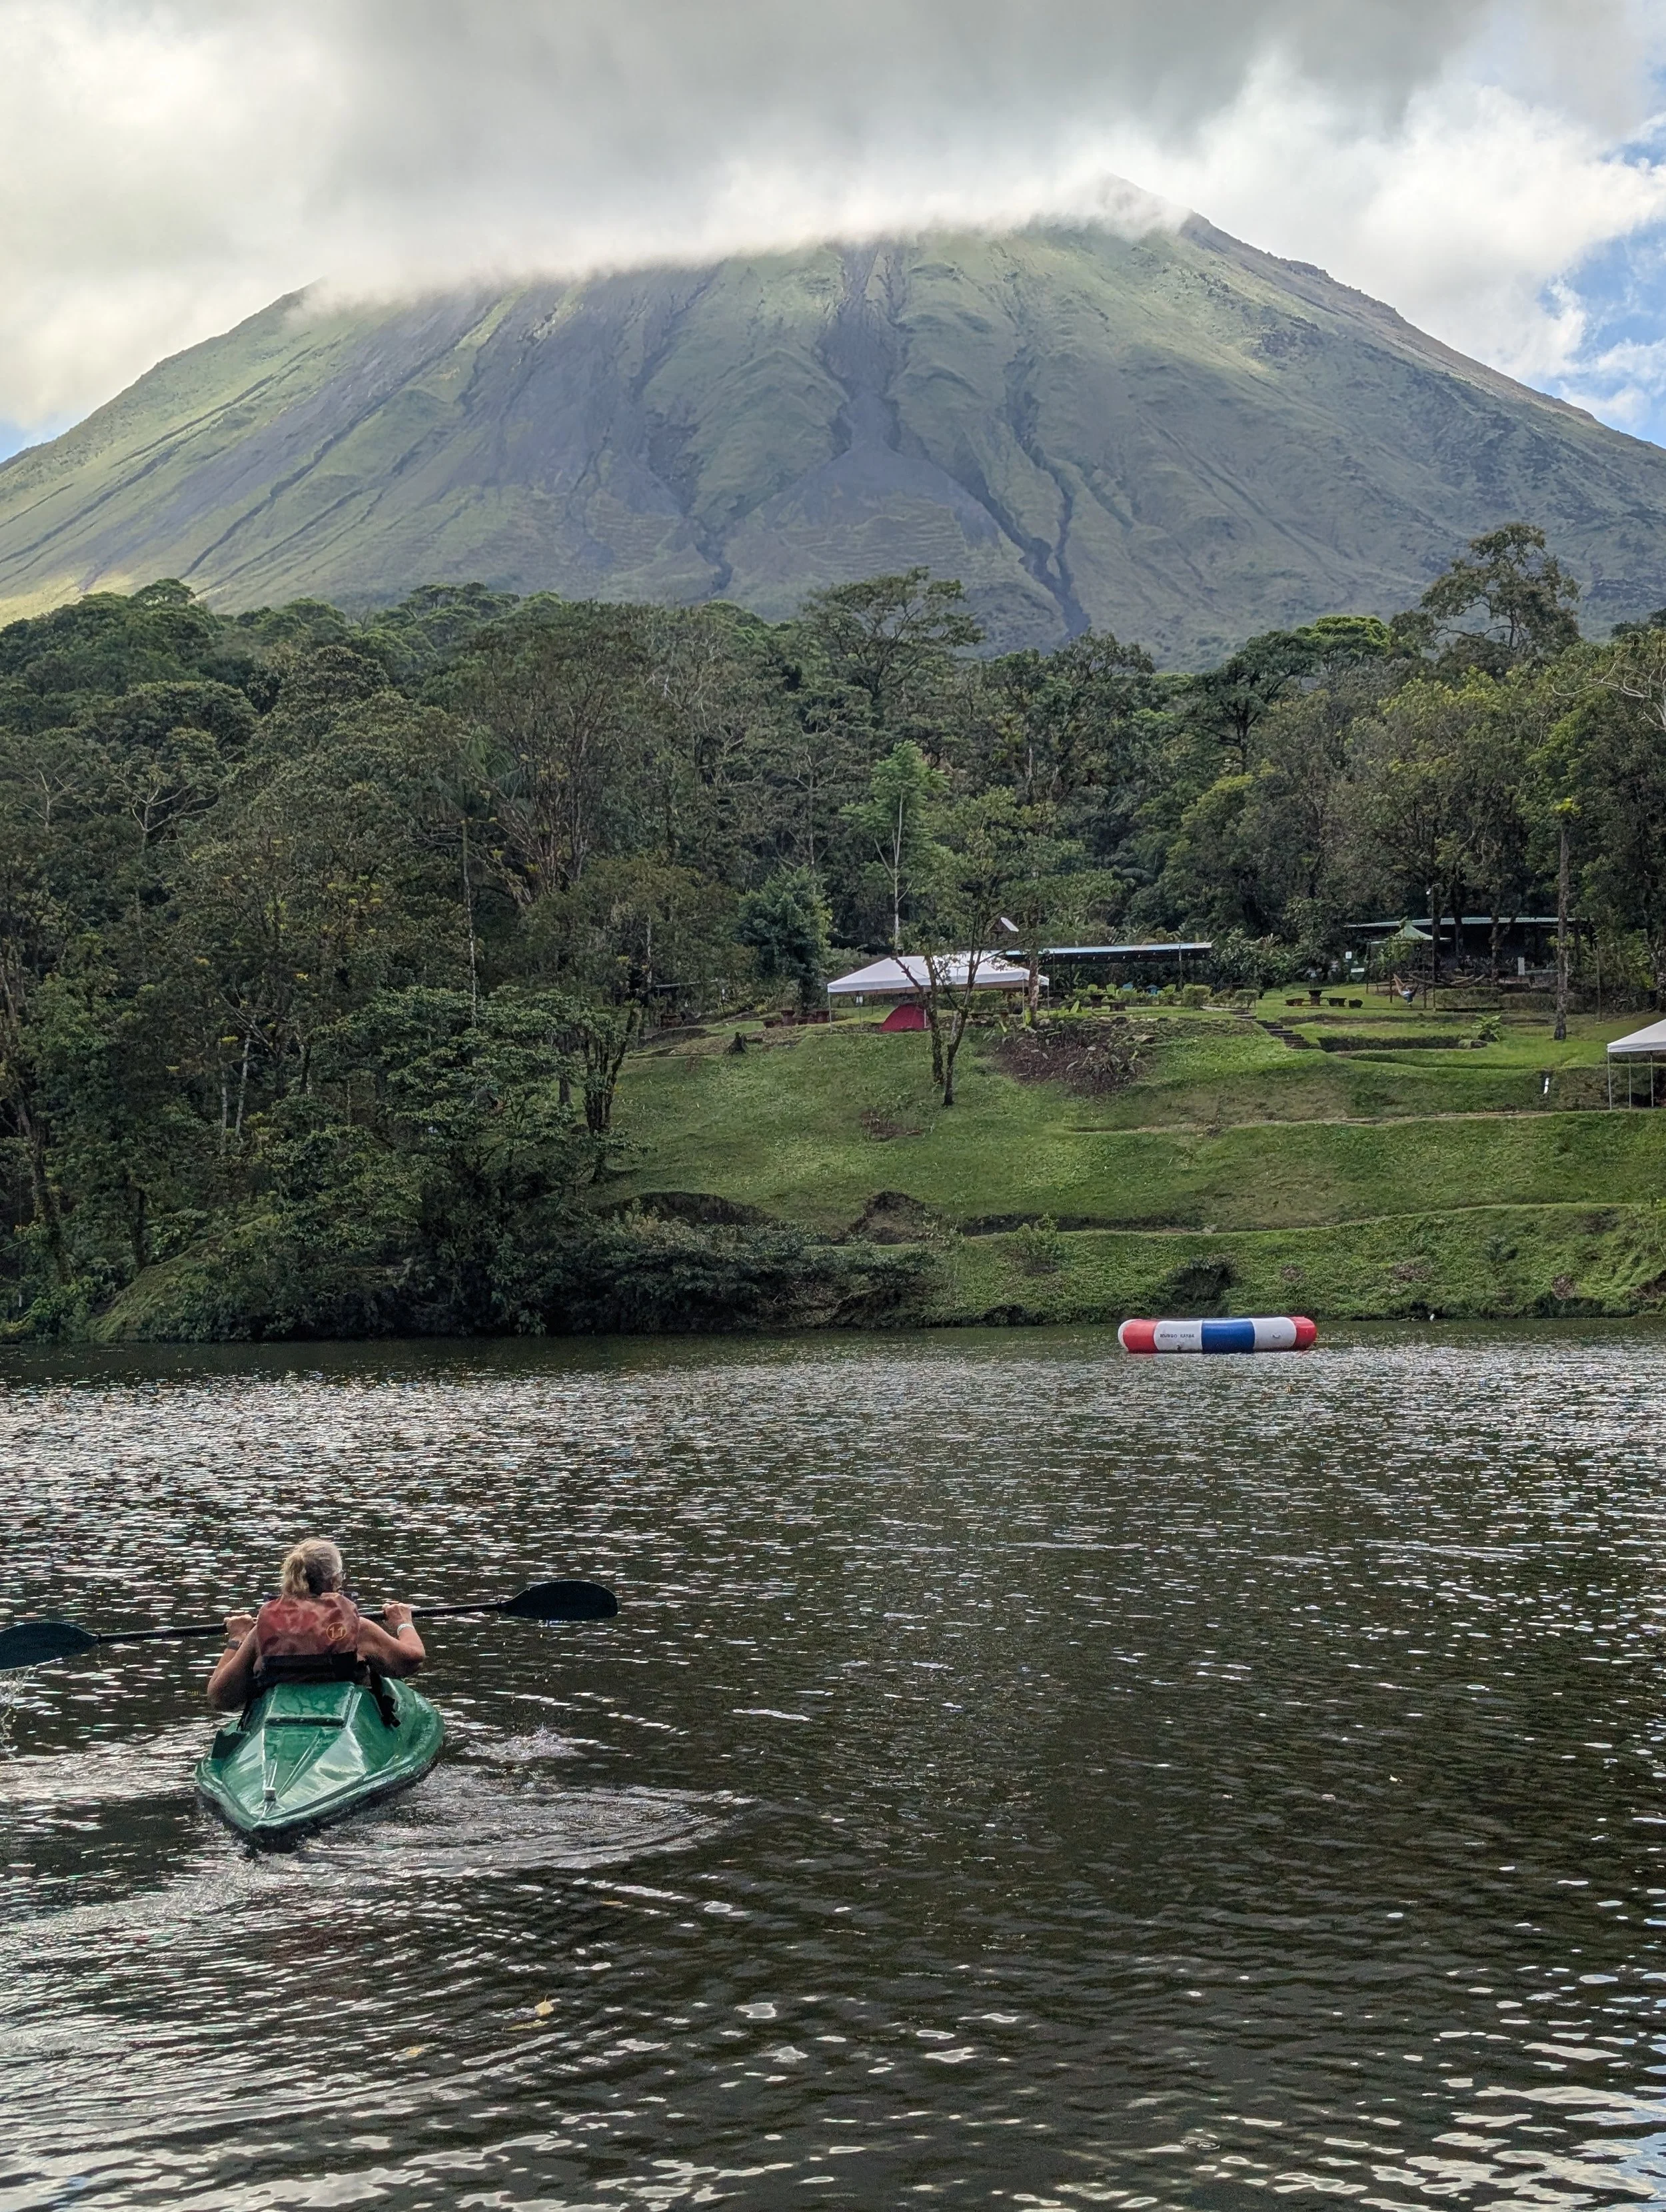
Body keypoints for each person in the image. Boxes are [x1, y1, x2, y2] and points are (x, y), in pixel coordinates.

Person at [207, 1537, 426, 1713]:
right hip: (340, 1712)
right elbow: (412, 1659)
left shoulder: (262, 1630)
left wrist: (237, 1638)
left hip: (282, 1713)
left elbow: (219, 1697)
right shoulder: (357, 1627)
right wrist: (403, 1623)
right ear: (334, 1580)